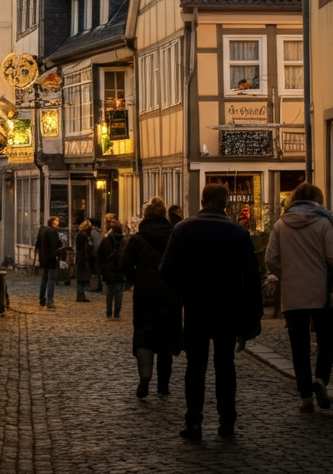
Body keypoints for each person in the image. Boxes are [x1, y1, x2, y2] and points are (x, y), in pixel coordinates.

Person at [159, 184, 263, 440]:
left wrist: (187, 289)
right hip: (228, 309)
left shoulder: (183, 229)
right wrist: (254, 316)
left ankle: (194, 421)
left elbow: (166, 270)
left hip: (196, 309)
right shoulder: (238, 234)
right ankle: (227, 422)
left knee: (195, 366)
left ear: (202, 201)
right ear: (225, 204)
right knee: (225, 366)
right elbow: (252, 278)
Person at [265, 183, 333, 413]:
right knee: (327, 340)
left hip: (292, 294)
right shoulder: (323, 223)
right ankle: (320, 380)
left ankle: (305, 397)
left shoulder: (281, 224)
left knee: (298, 347)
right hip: (321, 294)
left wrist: (285, 275)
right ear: (316, 200)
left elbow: (271, 260)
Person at [120, 198, 182, 398]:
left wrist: (135, 277)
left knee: (144, 335)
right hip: (170, 291)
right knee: (166, 337)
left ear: (146, 216)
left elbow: (124, 265)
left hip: (145, 292)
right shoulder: (174, 237)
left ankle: (145, 375)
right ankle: (163, 385)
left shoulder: (137, 239)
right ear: (164, 214)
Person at [98, 218, 127, 318]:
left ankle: (109, 312)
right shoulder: (124, 242)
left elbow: (100, 254)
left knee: (109, 293)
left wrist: (103, 266)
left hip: (108, 270)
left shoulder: (105, 241)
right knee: (119, 293)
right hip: (120, 270)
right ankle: (117, 313)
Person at [36, 216, 64, 309]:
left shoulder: (42, 230)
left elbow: (38, 244)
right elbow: (54, 245)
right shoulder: (52, 232)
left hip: (43, 258)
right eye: (57, 222)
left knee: (44, 279)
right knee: (51, 279)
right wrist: (56, 254)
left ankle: (42, 299)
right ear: (53, 223)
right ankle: (50, 301)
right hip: (50, 259)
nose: (58, 224)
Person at [74, 221, 94, 302]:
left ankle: (80, 294)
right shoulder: (84, 237)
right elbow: (88, 247)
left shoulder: (78, 235)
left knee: (80, 277)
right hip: (82, 258)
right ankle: (80, 295)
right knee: (81, 277)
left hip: (79, 257)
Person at [90, 218, 106, 292]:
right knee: (98, 270)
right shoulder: (99, 232)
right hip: (100, 252)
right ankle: (99, 285)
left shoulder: (92, 233)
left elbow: (93, 244)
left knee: (95, 270)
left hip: (95, 252)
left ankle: (96, 285)